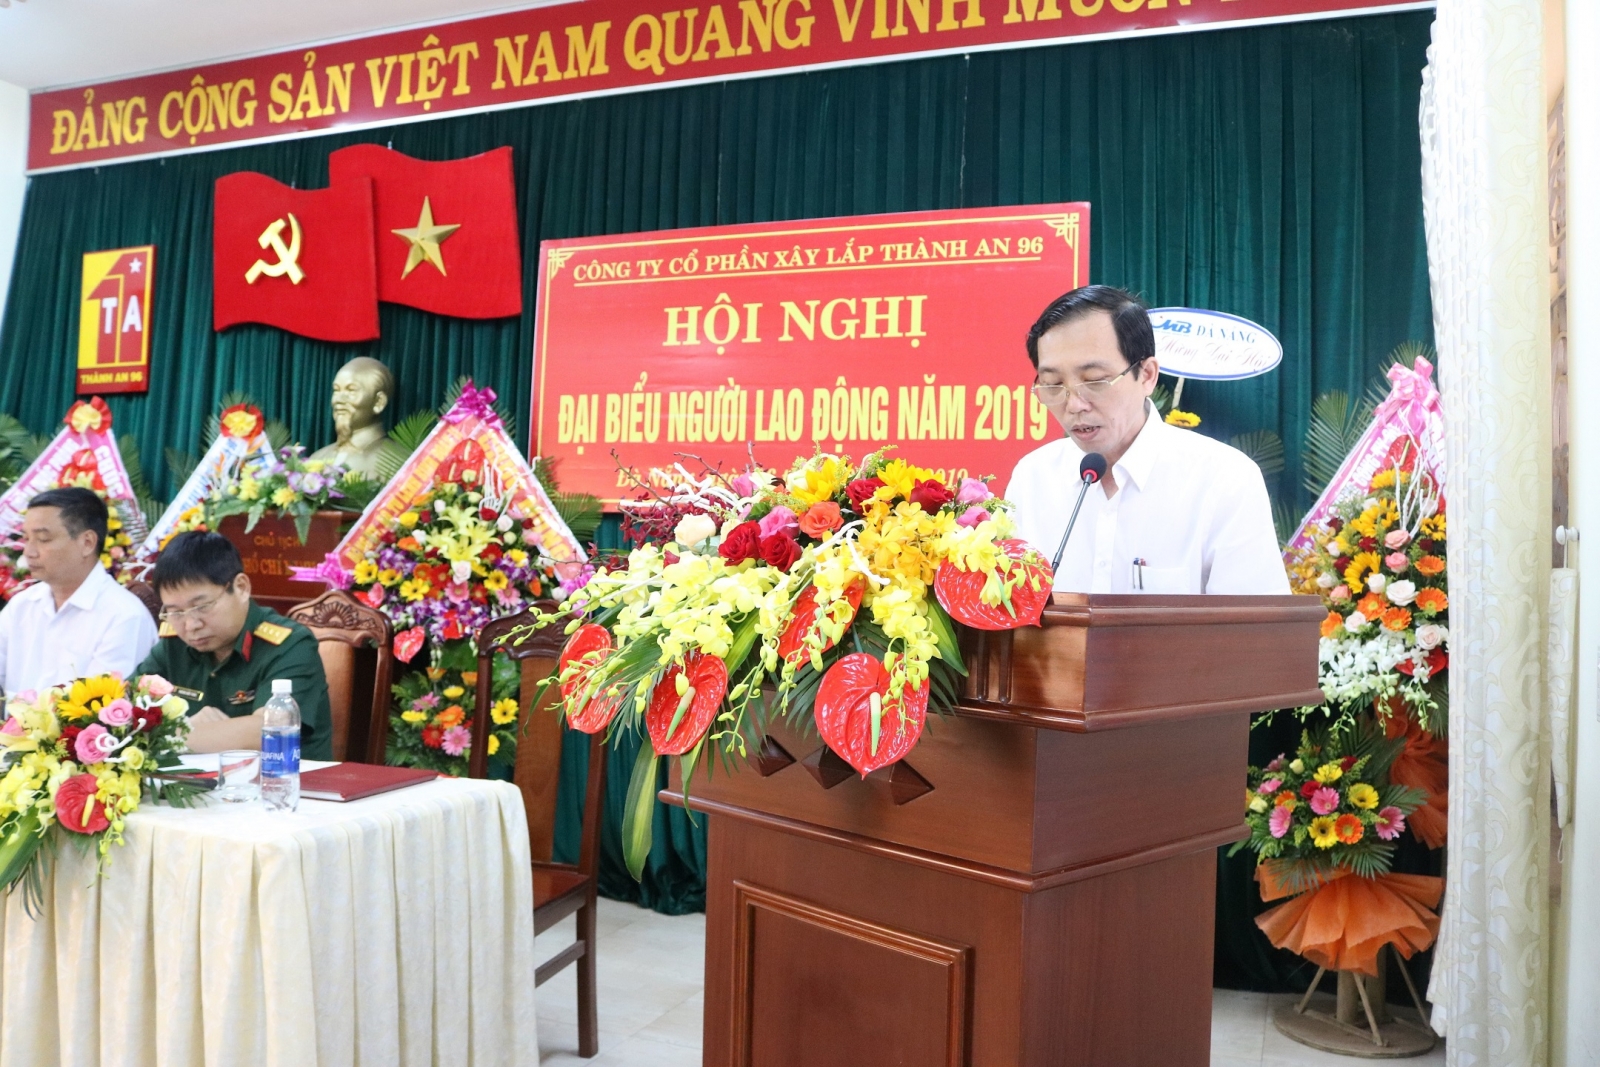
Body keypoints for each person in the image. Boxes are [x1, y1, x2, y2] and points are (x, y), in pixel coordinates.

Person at [1006, 285, 1290, 595]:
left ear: (1147, 375)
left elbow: (1254, 622)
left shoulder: (1224, 480)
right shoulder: (1032, 477)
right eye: (1052, 384)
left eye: (1095, 381)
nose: (1074, 405)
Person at [138, 531, 334, 759]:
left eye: (202, 607)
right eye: (175, 612)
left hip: (288, 779)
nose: (191, 625)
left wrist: (178, 731)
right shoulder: (173, 645)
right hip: (197, 780)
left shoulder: (291, 645)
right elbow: (121, 713)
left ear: (241, 587)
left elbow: (268, 732)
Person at [0, 487, 159, 694]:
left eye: (43, 539)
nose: (29, 552)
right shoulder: (22, 605)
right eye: (26, 538)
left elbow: (102, 706)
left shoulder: (125, 616)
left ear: (87, 543)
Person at [308, 356, 396, 480]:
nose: (338, 400)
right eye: (336, 390)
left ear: (378, 402)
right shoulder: (317, 458)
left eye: (351, 390)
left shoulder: (396, 462)